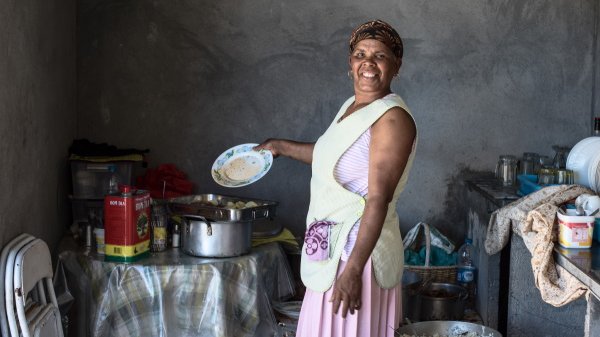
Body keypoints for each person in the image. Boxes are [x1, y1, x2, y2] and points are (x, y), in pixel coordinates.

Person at [255, 19, 417, 337]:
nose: (368, 63)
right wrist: (280, 147)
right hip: (332, 255)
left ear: (396, 66)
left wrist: (354, 269)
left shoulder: (392, 118)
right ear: (350, 63)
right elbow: (331, 155)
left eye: (380, 55)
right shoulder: (352, 107)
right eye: (360, 54)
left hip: (358, 256)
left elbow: (378, 198)